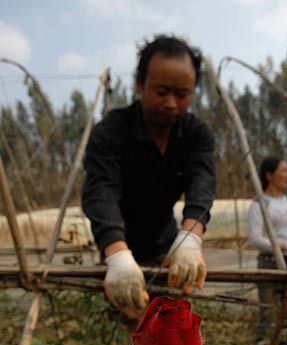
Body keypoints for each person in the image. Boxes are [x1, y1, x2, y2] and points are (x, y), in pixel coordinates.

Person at [82, 34, 216, 319]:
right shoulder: (112, 132)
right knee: (128, 328)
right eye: (161, 91)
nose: (171, 103)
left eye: (182, 95)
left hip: (168, 246)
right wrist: (117, 256)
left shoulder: (196, 135)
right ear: (140, 84)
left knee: (171, 327)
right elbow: (101, 191)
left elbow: (202, 183)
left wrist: (190, 238)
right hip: (120, 244)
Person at [248, 156, 287, 343]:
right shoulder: (260, 204)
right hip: (270, 263)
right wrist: (284, 246)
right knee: (269, 313)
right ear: (269, 175)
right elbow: (255, 238)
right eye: (283, 171)